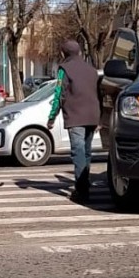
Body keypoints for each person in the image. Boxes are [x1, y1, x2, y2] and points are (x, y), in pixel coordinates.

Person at [46, 40, 102, 203]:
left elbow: (59, 93)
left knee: (78, 152)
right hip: (92, 115)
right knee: (86, 152)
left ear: (64, 53)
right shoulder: (92, 71)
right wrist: (99, 117)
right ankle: (85, 184)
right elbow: (99, 95)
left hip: (75, 116)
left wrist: (52, 117)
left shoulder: (64, 69)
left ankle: (82, 190)